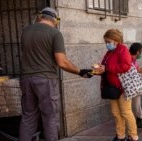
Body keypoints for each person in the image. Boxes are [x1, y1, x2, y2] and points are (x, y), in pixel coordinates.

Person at [19, 7, 93, 141]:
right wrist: (80, 71)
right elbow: (62, 62)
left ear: (40, 16)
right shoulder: (55, 33)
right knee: (49, 117)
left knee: (28, 116)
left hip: (25, 78)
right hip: (45, 79)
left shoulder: (25, 31)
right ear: (56, 20)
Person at [93, 29, 138, 141]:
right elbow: (105, 67)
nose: (107, 44)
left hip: (122, 88)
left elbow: (126, 66)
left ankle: (133, 136)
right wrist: (99, 69)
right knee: (116, 113)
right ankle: (120, 135)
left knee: (126, 112)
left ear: (116, 40)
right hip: (111, 88)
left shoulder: (122, 50)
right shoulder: (109, 53)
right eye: (106, 42)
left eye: (108, 41)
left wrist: (107, 68)